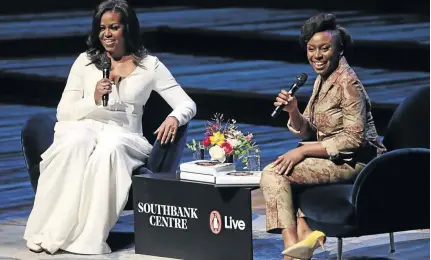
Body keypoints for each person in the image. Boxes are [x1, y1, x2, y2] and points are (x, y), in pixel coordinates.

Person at [23, 0, 196, 255]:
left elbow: (187, 103)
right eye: (102, 28)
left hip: (124, 135)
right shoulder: (85, 62)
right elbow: (64, 112)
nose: (106, 34)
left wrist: (175, 118)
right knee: (76, 142)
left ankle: (87, 238)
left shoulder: (150, 65)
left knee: (110, 149)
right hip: (85, 127)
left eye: (113, 27)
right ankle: (50, 230)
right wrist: (93, 98)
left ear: (127, 29)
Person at [260, 13, 386, 260]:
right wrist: (293, 110)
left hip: (358, 161)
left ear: (338, 50)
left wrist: (304, 150)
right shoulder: (323, 79)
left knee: (274, 172)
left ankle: (291, 251)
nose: (316, 56)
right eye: (311, 49)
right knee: (283, 168)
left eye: (324, 49)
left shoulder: (348, 84)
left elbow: (354, 139)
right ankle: (303, 237)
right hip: (333, 158)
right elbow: (308, 129)